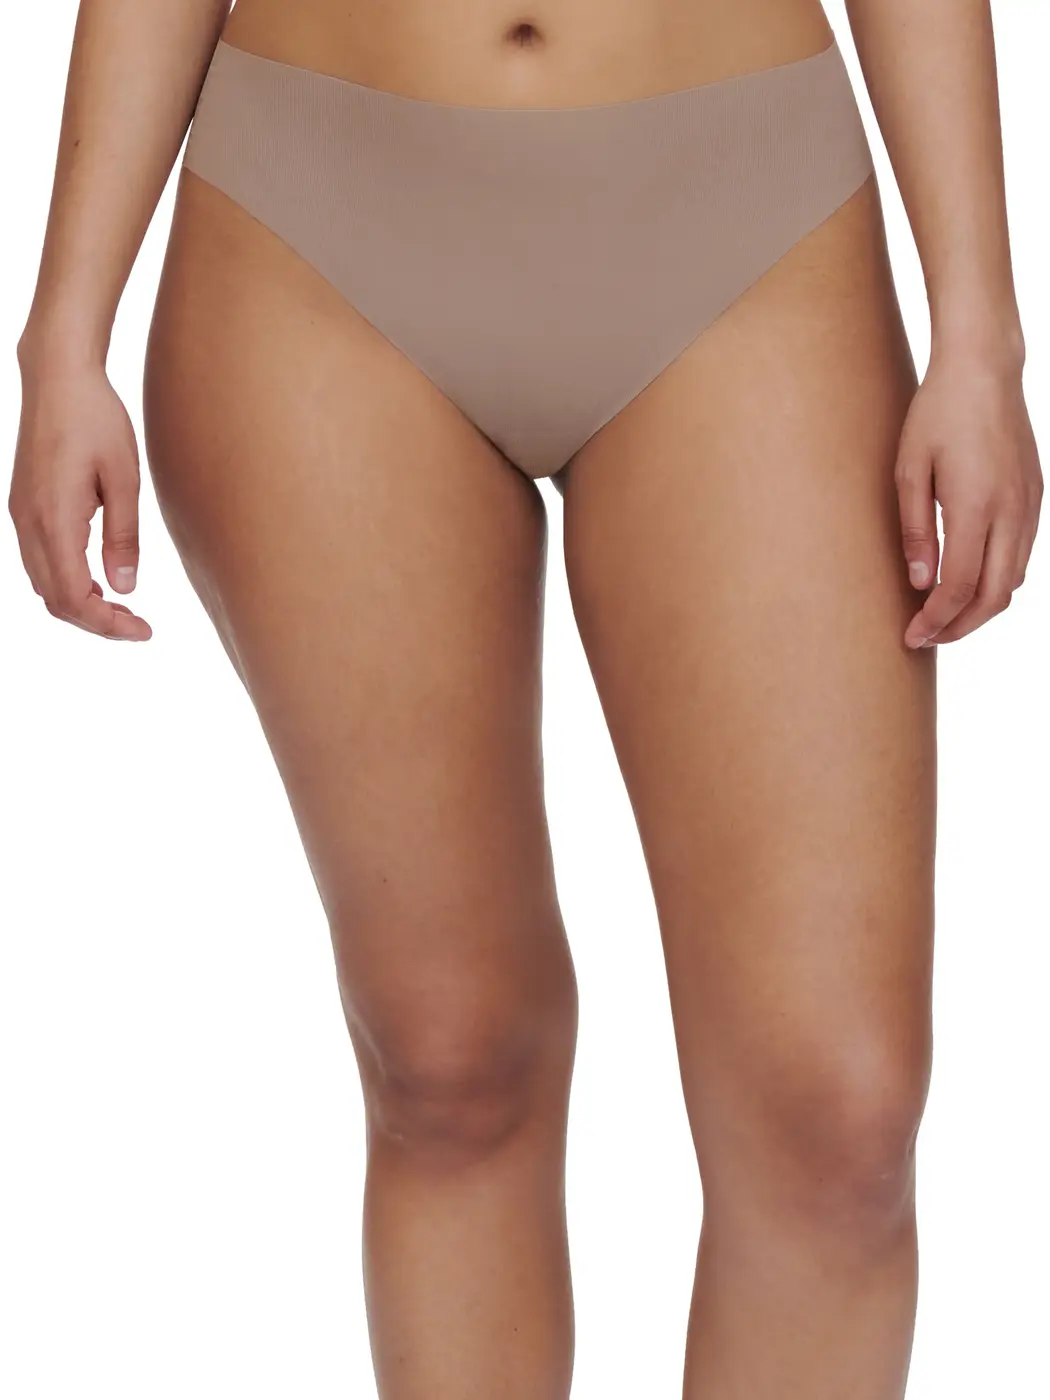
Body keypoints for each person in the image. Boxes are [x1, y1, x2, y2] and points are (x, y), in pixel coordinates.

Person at [8, 0, 1042, 1395]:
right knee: (450, 1063)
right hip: (315, 227)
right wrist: (63, 332)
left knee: (836, 1118)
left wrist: (979, 332)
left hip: (743, 213)